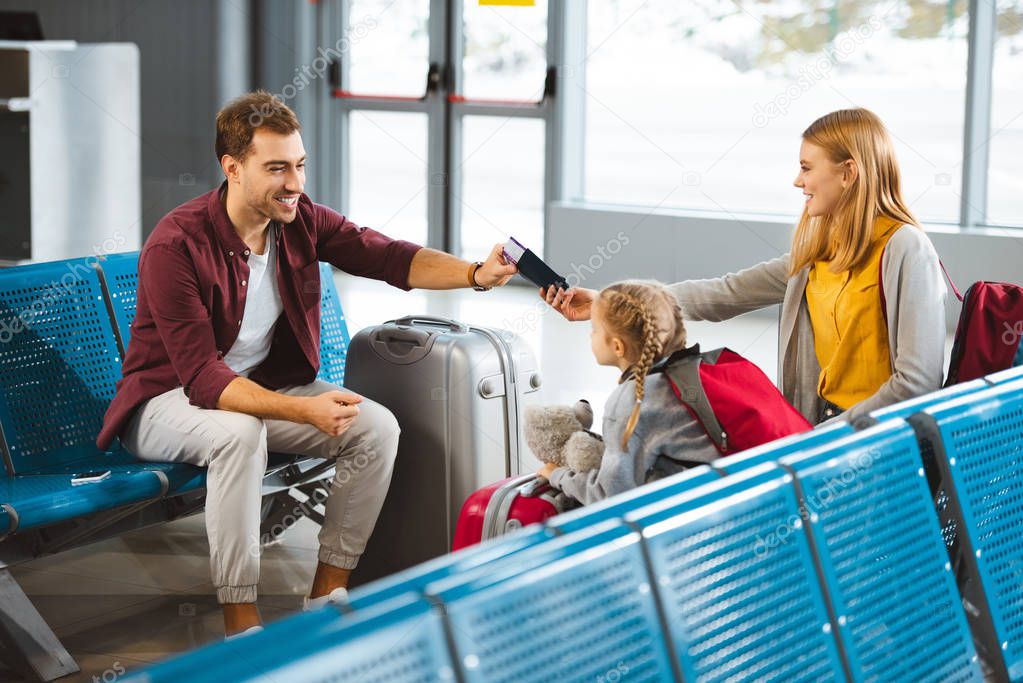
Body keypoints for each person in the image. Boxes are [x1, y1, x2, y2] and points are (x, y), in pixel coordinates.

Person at [96, 90, 517, 637]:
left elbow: (384, 254)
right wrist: (303, 413)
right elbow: (202, 380)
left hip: (254, 391)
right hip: (165, 402)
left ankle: (327, 594)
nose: (294, 183)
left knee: (375, 427)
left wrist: (475, 275)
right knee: (239, 435)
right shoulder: (176, 244)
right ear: (233, 168)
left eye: (299, 165)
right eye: (276, 168)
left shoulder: (300, 220)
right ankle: (241, 619)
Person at [543, 108, 947, 426]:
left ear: (848, 173)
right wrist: (609, 302)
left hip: (877, 440)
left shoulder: (905, 249)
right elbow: (726, 293)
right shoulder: (820, 252)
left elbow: (916, 382)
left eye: (807, 167)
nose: (797, 180)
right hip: (819, 427)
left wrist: (836, 434)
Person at [537, 280, 718, 504]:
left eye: (594, 329)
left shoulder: (633, 400)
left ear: (617, 347)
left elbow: (610, 496)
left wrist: (558, 475)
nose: (589, 335)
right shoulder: (694, 370)